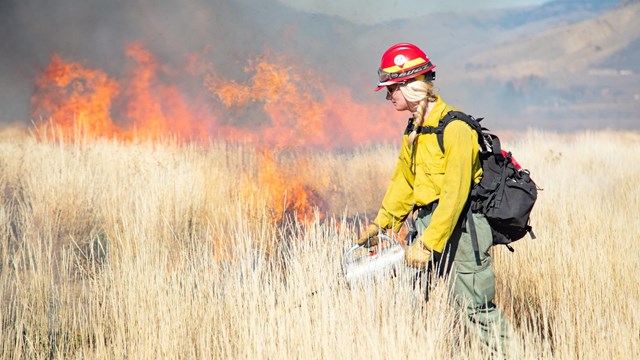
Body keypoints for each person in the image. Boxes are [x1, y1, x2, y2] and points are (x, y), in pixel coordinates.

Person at [357, 43, 512, 355]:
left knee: (476, 309)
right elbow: (404, 181)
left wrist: (428, 243)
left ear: (410, 86)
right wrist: (382, 225)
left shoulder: (455, 128)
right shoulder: (414, 129)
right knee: (418, 302)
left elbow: (455, 196)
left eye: (391, 89)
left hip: (463, 229)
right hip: (427, 224)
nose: (389, 97)